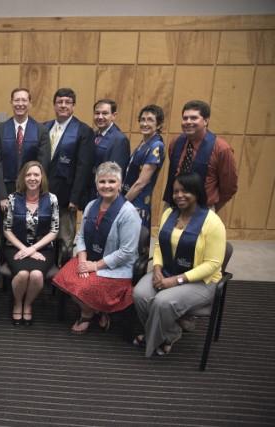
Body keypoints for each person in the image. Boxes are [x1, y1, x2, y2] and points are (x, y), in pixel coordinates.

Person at [133, 172, 226, 357]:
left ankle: (157, 338)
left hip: (201, 282)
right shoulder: (169, 213)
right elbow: (160, 244)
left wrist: (176, 281)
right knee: (140, 294)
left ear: (197, 192)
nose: (179, 196)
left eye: (185, 191)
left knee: (162, 301)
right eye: (176, 192)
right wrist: (157, 269)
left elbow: (213, 265)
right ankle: (171, 333)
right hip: (168, 270)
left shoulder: (212, 223)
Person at [52, 162, 141, 334]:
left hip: (116, 267)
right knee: (64, 277)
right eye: (102, 181)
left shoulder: (128, 213)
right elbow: (82, 236)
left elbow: (127, 251)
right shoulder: (91, 205)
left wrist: (94, 266)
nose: (106, 186)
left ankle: (87, 314)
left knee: (84, 286)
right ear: (96, 184)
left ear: (120, 185)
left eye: (112, 181)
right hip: (89, 259)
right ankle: (94, 310)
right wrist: (83, 260)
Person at [3, 161, 59, 326]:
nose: (32, 178)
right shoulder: (13, 198)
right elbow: (7, 230)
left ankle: (28, 304)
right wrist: (25, 249)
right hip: (16, 247)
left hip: (43, 249)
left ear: (42, 178)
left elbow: (54, 230)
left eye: (36, 174)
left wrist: (33, 248)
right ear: (23, 177)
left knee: (36, 275)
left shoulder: (52, 199)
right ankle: (18, 303)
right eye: (28, 175)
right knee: (22, 275)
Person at [0, 88, 51, 240]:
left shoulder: (41, 130)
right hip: (6, 190)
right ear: (11, 102)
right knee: (4, 234)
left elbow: (42, 164)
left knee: (29, 233)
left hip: (31, 190)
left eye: (24, 100)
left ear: (30, 103)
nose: (20, 104)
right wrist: (2, 195)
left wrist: (34, 192)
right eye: (17, 100)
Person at [162, 100, 238, 212]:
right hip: (172, 207)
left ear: (206, 120)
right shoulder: (175, 142)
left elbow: (229, 187)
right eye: (185, 118)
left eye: (193, 118)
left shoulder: (221, 148)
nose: (188, 122)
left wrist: (209, 209)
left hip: (202, 209)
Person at [45, 87, 95, 247]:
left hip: (66, 195)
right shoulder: (44, 127)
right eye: (60, 102)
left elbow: (84, 167)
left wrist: (75, 197)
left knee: (64, 237)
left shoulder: (83, 131)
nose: (63, 105)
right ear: (54, 105)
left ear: (73, 106)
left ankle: (63, 268)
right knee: (44, 234)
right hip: (42, 193)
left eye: (68, 102)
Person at [123, 105, 166, 237]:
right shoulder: (144, 142)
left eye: (150, 120)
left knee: (133, 244)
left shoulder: (156, 145)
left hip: (137, 202)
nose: (144, 123)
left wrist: (122, 202)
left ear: (158, 124)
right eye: (142, 119)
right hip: (129, 197)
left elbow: (141, 183)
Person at [90, 99, 131, 199]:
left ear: (114, 115)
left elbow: (115, 174)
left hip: (106, 195)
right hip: (91, 192)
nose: (100, 117)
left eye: (105, 113)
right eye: (97, 113)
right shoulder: (93, 135)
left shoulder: (119, 139)